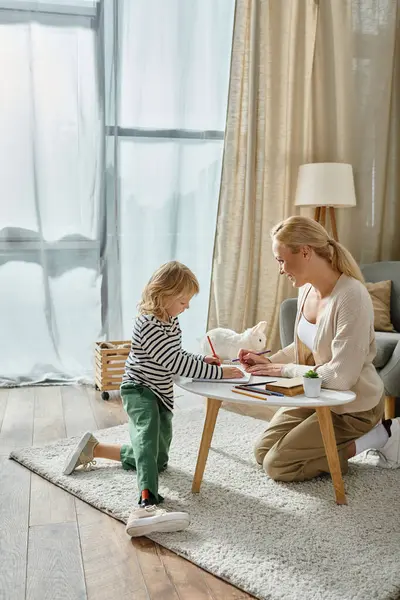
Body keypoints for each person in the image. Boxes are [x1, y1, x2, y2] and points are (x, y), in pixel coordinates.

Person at [63, 261, 242, 537]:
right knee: (146, 441)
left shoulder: (171, 321)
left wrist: (201, 359)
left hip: (161, 393)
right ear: (163, 295)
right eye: (183, 300)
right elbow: (173, 362)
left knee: (157, 460)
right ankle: (146, 503)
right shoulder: (147, 324)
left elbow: (178, 355)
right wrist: (218, 372)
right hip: (139, 390)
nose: (186, 307)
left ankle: (94, 449)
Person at [238, 216, 400, 483]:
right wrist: (265, 360)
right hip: (315, 394)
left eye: (281, 260)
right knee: (262, 452)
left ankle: (379, 436)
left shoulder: (351, 296)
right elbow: (304, 344)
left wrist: (284, 370)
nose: (281, 269)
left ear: (305, 252)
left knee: (278, 466)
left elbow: (340, 378)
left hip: (351, 405)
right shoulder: (306, 290)